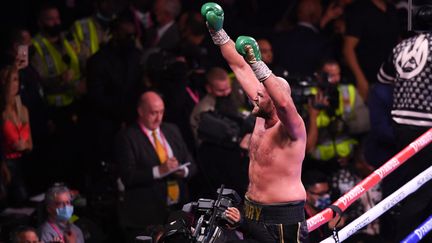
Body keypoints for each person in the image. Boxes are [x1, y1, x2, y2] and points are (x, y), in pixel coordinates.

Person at [202, 2, 308, 242]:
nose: (255, 97)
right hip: (252, 211)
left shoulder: (293, 129)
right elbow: (238, 65)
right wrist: (217, 32)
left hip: (282, 218)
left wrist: (258, 62)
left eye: (261, 95)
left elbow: (283, 103)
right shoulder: (262, 111)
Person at [114, 91, 196, 242]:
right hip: (147, 215)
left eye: (161, 112)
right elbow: (128, 176)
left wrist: (182, 171)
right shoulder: (128, 136)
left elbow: (191, 164)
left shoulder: (172, 129)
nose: (159, 117)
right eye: (153, 113)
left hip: (177, 209)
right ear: (141, 111)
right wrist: (160, 171)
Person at [377, 29, 432, 242]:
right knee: (422, 193)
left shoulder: (401, 46)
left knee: (415, 188)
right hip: (426, 125)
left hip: (401, 126)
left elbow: (383, 77)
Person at [0, 65, 32, 206]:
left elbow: (30, 144)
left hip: (24, 163)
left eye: (15, 80)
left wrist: (24, 145)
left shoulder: (23, 109)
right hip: (6, 165)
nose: (12, 84)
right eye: (8, 80)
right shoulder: (2, 111)